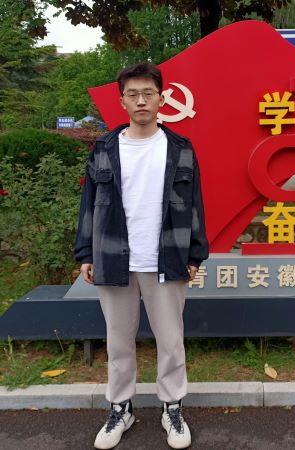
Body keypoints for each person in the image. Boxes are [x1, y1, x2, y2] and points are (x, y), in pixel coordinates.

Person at [74, 62, 209, 449]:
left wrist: (195, 255)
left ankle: (172, 407)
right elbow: (89, 204)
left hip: (167, 258)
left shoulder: (180, 148)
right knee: (118, 342)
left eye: (148, 93)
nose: (141, 101)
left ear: (161, 98)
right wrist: (86, 252)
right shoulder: (105, 148)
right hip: (113, 258)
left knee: (171, 341)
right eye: (132, 94)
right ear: (122, 102)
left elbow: (194, 205)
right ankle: (121, 408)